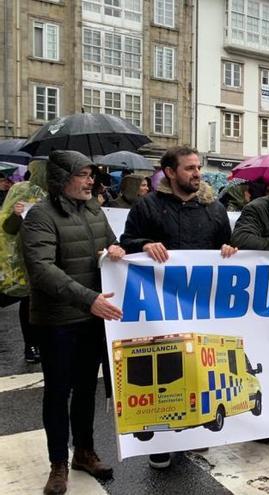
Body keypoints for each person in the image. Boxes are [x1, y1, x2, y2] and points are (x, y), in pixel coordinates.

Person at [120, 145, 237, 469]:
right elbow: (125, 242)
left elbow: (224, 247)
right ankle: (162, 442)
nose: (197, 173)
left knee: (199, 369)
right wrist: (142, 245)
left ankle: (193, 434)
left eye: (198, 167)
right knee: (165, 372)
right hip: (162, 311)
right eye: (189, 168)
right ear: (170, 173)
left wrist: (229, 249)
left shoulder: (214, 210)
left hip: (200, 307)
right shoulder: (148, 207)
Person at [20, 150, 125, 495]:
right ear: (61, 178)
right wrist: (87, 298)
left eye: (91, 174)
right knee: (57, 392)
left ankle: (83, 451)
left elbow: (111, 242)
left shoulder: (94, 210)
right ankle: (58, 464)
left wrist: (116, 251)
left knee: (85, 390)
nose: (90, 180)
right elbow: (42, 269)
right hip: (58, 321)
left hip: (93, 317)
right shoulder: (40, 217)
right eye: (83, 174)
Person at [0, 159, 49, 364]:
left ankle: (41, 344)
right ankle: (31, 345)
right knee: (27, 300)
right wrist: (17, 214)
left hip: (49, 256)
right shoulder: (21, 191)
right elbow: (9, 228)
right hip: (26, 257)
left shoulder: (61, 194)